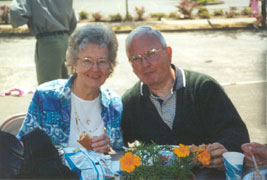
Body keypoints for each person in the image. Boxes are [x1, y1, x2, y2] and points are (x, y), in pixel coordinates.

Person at [121, 26, 250, 170]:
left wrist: (225, 151)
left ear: (169, 53)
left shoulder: (203, 88)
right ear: (131, 65)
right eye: (136, 59)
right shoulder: (130, 102)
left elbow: (237, 135)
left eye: (151, 54)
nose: (145, 64)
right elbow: (118, 147)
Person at [16, 24, 124, 154]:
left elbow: (121, 155)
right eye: (87, 60)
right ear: (74, 63)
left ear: (110, 65)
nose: (95, 69)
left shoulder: (114, 105)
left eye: (102, 61)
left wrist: (109, 151)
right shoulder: (46, 97)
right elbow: (20, 147)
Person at [10, 0, 77, 84]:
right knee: (67, 86)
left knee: (48, 87)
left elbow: (17, 15)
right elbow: (73, 20)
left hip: (47, 43)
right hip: (66, 41)